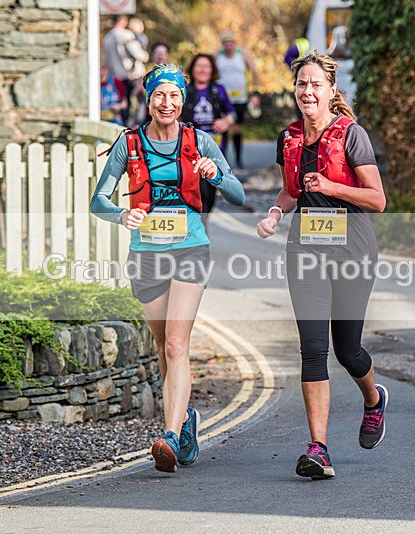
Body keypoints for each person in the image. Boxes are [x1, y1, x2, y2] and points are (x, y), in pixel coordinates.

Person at [91, 64, 245, 473]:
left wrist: (215, 174)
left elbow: (239, 193)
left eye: (174, 96)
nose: (167, 103)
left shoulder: (200, 141)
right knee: (163, 347)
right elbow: (98, 200)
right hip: (147, 255)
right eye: (160, 95)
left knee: (177, 344)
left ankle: (171, 437)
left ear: (183, 100)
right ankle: (186, 419)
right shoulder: (129, 144)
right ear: (148, 98)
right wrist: (120, 214)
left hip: (190, 249)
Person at [256, 52, 387, 480]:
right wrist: (275, 214)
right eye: (301, 85)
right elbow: (291, 191)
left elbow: (378, 200)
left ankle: (373, 400)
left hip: (352, 251)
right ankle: (319, 448)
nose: (307, 92)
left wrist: (333, 186)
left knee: (347, 350)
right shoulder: (288, 138)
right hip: (306, 250)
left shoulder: (352, 135)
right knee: (313, 348)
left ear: (331, 90)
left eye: (315, 84)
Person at [182, 54, 237, 221]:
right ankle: (198, 226)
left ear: (212, 69)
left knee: (210, 193)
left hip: (215, 151)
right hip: (190, 153)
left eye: (206, 66)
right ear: (193, 69)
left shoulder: (218, 90)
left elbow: (232, 113)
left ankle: (201, 222)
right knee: (196, 190)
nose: (203, 70)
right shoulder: (185, 90)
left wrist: (226, 121)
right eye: (199, 66)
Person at [215, 31, 260, 168]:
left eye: (231, 42)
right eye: (225, 43)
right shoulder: (217, 55)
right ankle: (222, 160)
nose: (228, 46)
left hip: (240, 98)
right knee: (222, 128)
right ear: (222, 44)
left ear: (235, 43)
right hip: (222, 98)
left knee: (236, 128)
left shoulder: (243, 53)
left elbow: (254, 72)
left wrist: (256, 94)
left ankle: (238, 159)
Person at [102, 15, 147, 125]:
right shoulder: (126, 35)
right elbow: (140, 55)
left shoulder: (106, 38)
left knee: (123, 112)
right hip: (132, 76)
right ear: (123, 20)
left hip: (116, 80)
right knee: (136, 111)